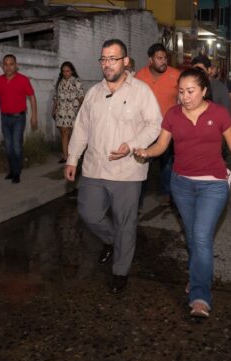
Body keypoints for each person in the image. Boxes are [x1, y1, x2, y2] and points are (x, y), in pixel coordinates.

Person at [134, 68, 231, 318]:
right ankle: (200, 272)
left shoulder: (219, 114)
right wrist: (145, 152)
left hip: (213, 184)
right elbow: (161, 145)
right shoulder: (173, 115)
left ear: (204, 91)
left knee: (200, 236)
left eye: (190, 91)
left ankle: (200, 295)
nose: (184, 97)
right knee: (193, 237)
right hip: (182, 185)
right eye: (181, 92)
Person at [64, 39, 161, 294]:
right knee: (89, 213)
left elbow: (154, 125)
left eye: (113, 58)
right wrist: (73, 158)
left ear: (126, 61)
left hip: (127, 171)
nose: (107, 64)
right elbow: (82, 128)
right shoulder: (94, 93)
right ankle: (112, 240)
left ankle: (120, 271)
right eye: (104, 59)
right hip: (95, 168)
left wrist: (131, 144)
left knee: (125, 222)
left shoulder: (141, 92)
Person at [135, 43, 181, 204]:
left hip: (168, 129)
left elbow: (183, 100)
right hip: (146, 129)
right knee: (143, 163)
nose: (163, 61)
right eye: (159, 58)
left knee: (167, 162)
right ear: (151, 60)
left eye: (165, 58)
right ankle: (138, 198)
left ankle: (166, 192)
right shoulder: (140, 76)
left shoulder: (176, 75)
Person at [0, 54, 38, 184]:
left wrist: (34, 115)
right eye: (6, 64)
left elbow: (32, 97)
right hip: (5, 118)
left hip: (18, 118)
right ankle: (12, 169)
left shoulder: (23, 80)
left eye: (11, 64)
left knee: (16, 145)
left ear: (16, 65)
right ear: (2, 66)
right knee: (8, 147)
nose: (8, 67)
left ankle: (17, 172)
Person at [52, 61, 84, 164]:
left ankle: (77, 154)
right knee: (64, 133)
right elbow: (56, 97)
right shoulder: (60, 82)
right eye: (63, 71)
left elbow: (81, 97)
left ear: (72, 71)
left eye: (67, 71)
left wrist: (82, 110)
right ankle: (65, 156)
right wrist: (54, 109)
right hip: (61, 111)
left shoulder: (76, 81)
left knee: (75, 134)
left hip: (73, 111)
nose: (65, 73)